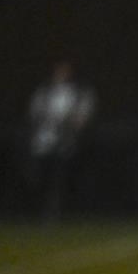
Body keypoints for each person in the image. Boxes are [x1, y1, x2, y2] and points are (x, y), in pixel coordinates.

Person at [25, 61, 94, 221]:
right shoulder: (44, 92)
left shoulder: (78, 93)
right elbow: (34, 113)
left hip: (65, 143)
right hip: (44, 142)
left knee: (61, 179)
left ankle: (58, 212)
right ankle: (43, 211)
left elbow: (81, 118)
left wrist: (70, 124)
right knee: (42, 178)